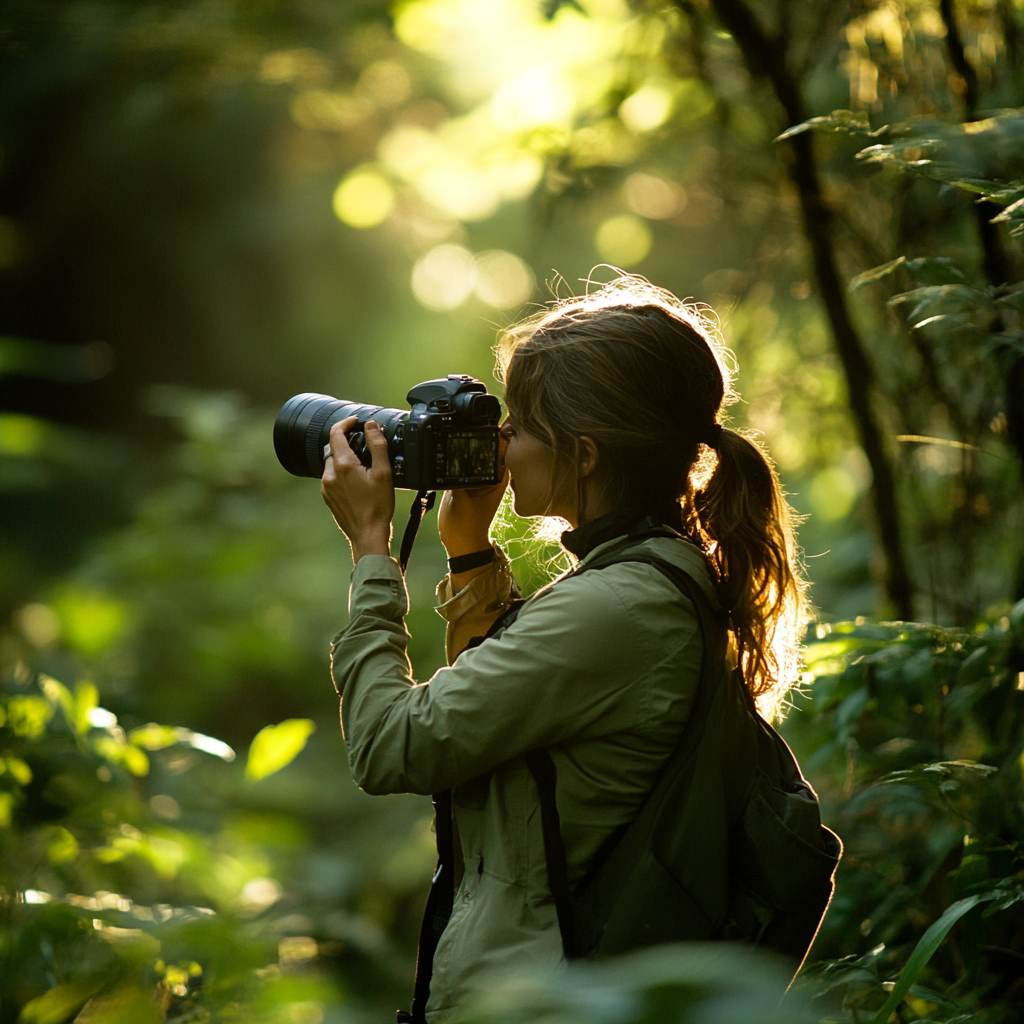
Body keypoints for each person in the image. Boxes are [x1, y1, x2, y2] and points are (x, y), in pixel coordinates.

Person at [322, 275, 808, 1022]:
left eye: (517, 424)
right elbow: (499, 726)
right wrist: (469, 555)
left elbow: (394, 747)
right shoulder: (651, 576)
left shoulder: (619, 605)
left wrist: (370, 552)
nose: (499, 443)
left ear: (584, 454)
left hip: (546, 1001)